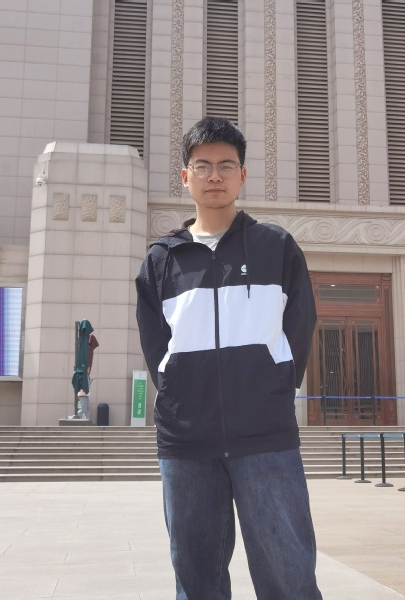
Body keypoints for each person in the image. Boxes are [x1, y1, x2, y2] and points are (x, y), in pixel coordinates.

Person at [135, 117, 322, 599]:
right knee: (196, 578)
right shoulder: (161, 260)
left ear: (242, 175)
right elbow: (156, 345)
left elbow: (300, 326)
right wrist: (178, 395)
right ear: (185, 177)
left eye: (225, 165)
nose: (214, 175)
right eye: (202, 166)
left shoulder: (275, 247)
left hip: (265, 435)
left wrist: (274, 388)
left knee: (289, 577)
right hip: (187, 441)